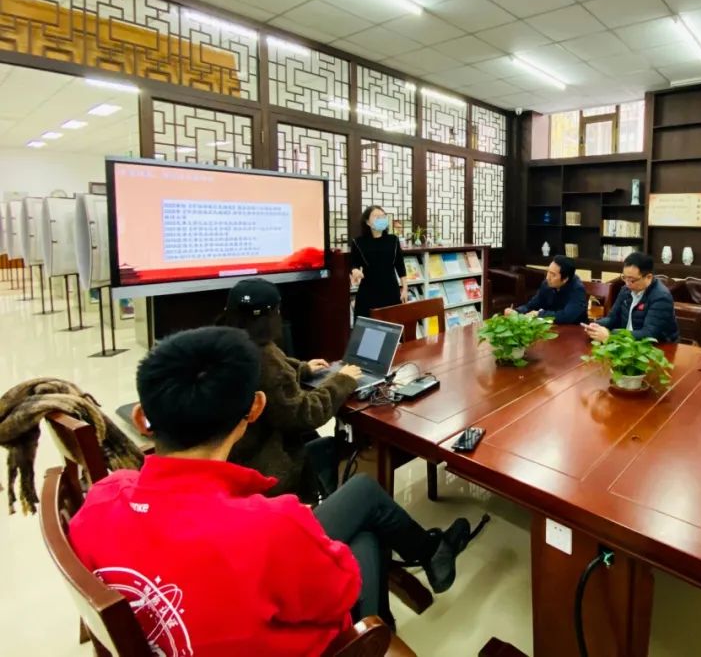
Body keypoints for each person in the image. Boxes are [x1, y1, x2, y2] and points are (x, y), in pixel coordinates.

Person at [70, 327, 472, 653]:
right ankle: (412, 581)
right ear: (255, 408)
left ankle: (426, 556)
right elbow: (338, 594)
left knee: (362, 516)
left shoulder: (101, 498)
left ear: (142, 417)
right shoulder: (271, 524)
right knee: (364, 531)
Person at [220, 277, 351, 502]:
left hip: (234, 460)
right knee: (327, 446)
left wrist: (303, 369)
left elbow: (272, 377)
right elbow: (304, 414)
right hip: (267, 473)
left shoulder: (226, 343)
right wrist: (342, 381)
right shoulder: (264, 357)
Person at [584, 252, 678, 344]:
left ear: (648, 277)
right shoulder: (625, 290)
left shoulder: (661, 297)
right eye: (625, 278)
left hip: (658, 348)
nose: (627, 284)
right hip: (627, 343)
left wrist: (610, 335)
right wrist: (597, 325)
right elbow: (612, 318)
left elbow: (649, 334)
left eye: (632, 280)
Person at [350, 205, 408, 321]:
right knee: (367, 327)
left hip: (391, 291)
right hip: (368, 292)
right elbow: (354, 263)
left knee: (392, 326)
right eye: (376, 216)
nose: (381, 219)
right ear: (367, 222)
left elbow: (400, 266)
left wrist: (405, 289)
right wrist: (354, 270)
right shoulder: (358, 242)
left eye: (383, 216)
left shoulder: (393, 240)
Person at [504, 254, 587, 324]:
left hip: (574, 330)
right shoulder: (546, 284)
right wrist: (517, 311)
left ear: (565, 279)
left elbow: (567, 316)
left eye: (553, 275)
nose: (548, 277)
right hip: (551, 327)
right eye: (548, 272)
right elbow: (533, 305)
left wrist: (540, 314)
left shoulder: (577, 289)